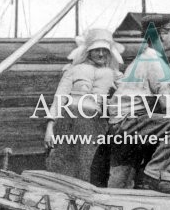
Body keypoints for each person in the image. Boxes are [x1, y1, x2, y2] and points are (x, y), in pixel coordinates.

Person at [107, 18, 170, 193]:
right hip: (127, 122)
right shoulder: (156, 62)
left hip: (121, 121)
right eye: (168, 32)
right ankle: (154, 176)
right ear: (158, 35)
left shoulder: (144, 58)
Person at [43, 28, 124, 182]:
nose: (101, 54)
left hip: (95, 125)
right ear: (88, 51)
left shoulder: (114, 74)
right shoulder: (73, 70)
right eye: (96, 50)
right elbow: (59, 97)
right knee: (62, 162)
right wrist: (49, 128)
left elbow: (130, 93)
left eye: (104, 50)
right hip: (68, 121)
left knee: (87, 165)